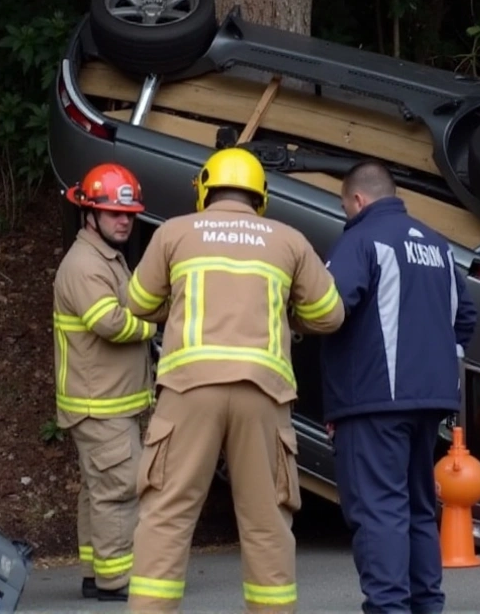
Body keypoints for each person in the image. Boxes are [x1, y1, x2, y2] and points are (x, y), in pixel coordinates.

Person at [122, 147, 346, 613]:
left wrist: (178, 306)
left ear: (204, 188)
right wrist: (288, 317)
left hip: (188, 391)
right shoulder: (288, 239)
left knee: (167, 518)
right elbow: (330, 314)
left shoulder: (174, 233)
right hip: (262, 394)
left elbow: (138, 302)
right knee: (266, 523)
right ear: (260, 196)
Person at [320, 159, 478, 614]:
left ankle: (389, 608)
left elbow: (331, 305)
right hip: (431, 398)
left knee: (378, 510)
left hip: (372, 399)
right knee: (417, 508)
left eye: (344, 205)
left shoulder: (360, 239)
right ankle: (427, 605)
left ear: (358, 200)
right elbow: (466, 319)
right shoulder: (437, 245)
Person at [54, 163, 163, 602]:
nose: (124, 220)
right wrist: (153, 327)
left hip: (105, 400)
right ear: (89, 214)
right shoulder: (84, 264)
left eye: (129, 213)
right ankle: (117, 581)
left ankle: (95, 572)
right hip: (100, 403)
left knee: (98, 490)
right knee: (120, 488)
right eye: (114, 213)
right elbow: (110, 322)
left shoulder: (105, 258)